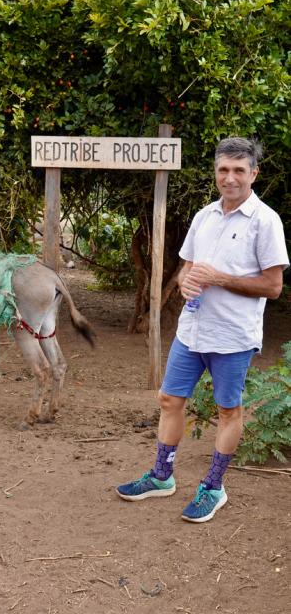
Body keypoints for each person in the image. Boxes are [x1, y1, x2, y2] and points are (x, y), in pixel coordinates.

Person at [117, 137, 289, 522]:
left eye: (238, 171)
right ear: (216, 172)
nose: (230, 178)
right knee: (168, 400)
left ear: (253, 174)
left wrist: (220, 278)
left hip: (232, 336)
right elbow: (186, 269)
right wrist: (186, 281)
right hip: (191, 330)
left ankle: (214, 486)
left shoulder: (266, 221)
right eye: (223, 170)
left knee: (229, 410)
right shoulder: (204, 216)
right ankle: (162, 476)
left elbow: (273, 286)